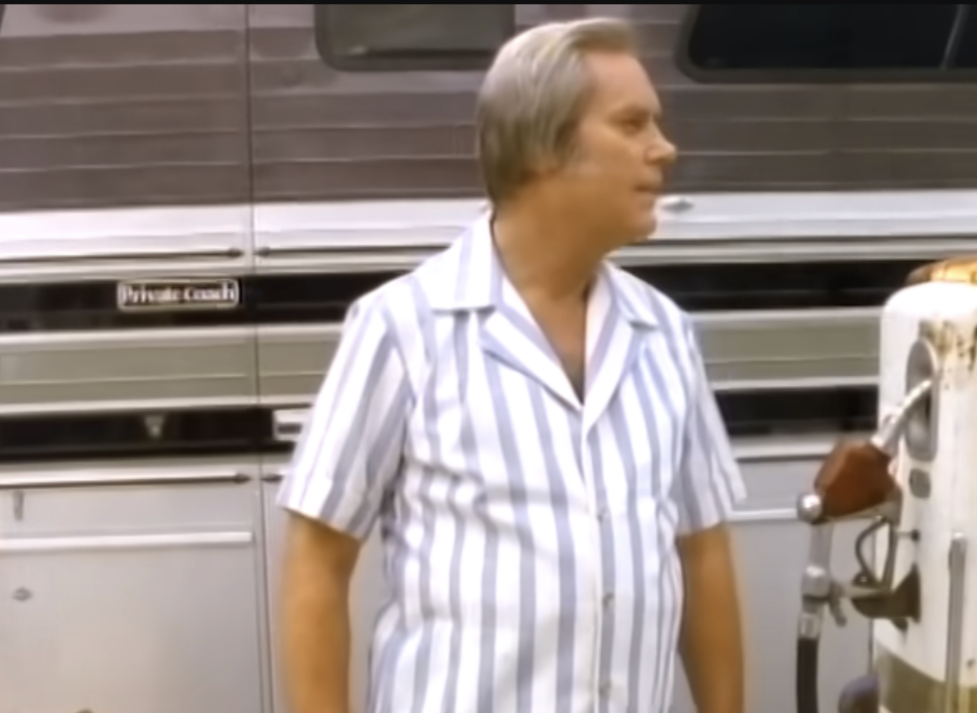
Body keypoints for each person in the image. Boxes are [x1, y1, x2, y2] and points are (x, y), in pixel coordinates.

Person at [278, 16, 746, 713]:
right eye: (632, 124)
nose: (665, 148)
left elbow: (702, 556)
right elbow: (317, 564)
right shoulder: (404, 327)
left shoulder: (666, 334)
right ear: (540, 148)